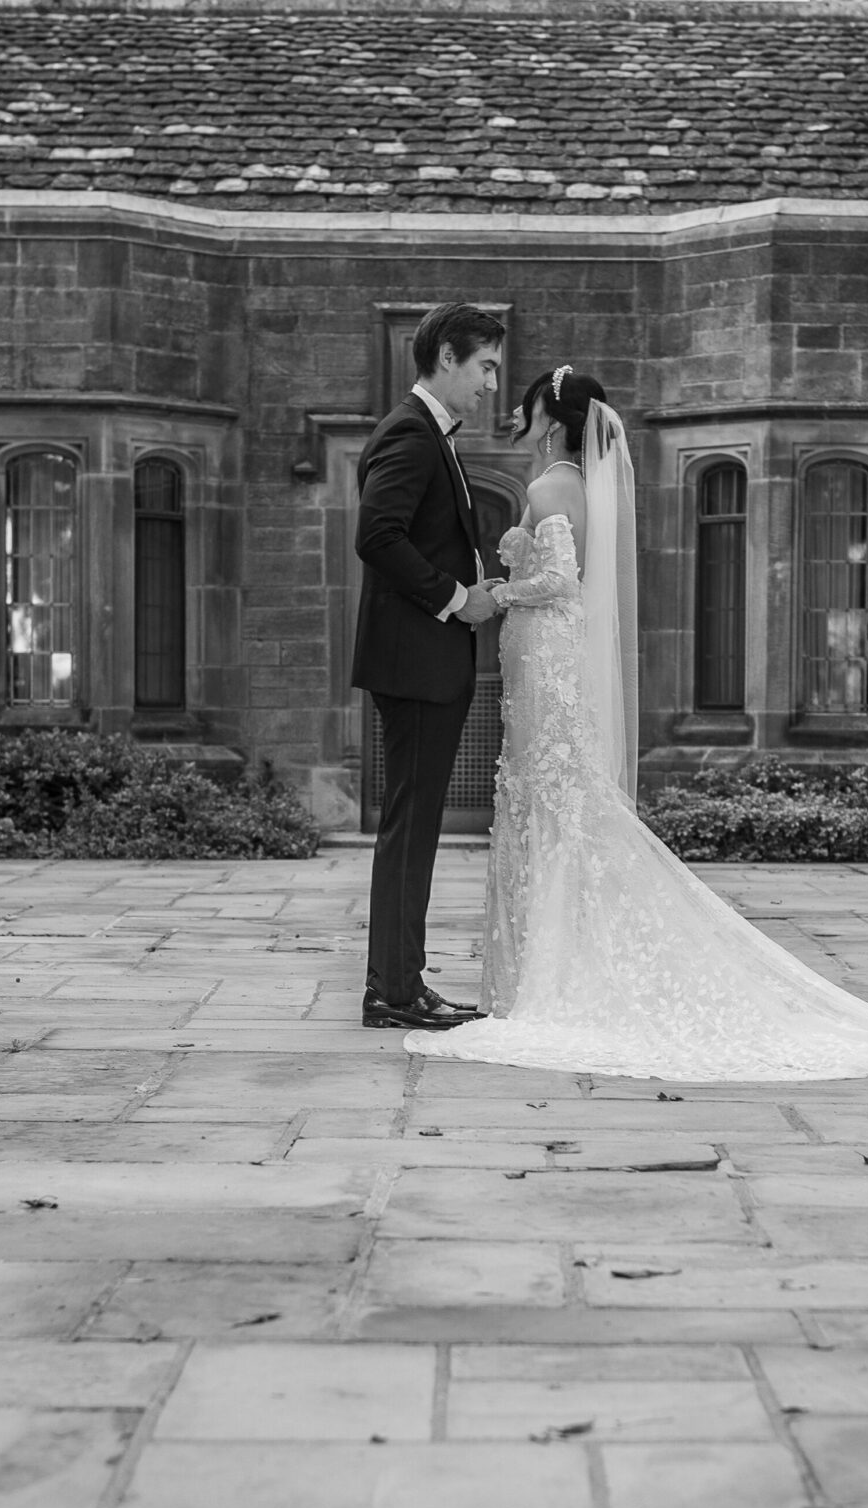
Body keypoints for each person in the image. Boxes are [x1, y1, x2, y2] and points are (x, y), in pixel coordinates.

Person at [407, 365, 868, 1083]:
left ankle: (548, 977)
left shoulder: (549, 483)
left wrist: (502, 589)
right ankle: (554, 963)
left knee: (551, 799)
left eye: (529, 401)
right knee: (559, 799)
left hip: (546, 655)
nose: (516, 410)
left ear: (553, 416)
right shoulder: (586, 486)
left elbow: (560, 580)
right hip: (555, 659)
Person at [351, 303, 508, 1030]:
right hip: (415, 663)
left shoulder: (428, 434)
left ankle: (399, 982)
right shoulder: (412, 433)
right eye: (484, 367)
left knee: (413, 829)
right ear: (446, 356)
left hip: (422, 662)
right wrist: (456, 599)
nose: (491, 384)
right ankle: (393, 990)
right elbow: (376, 536)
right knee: (409, 829)